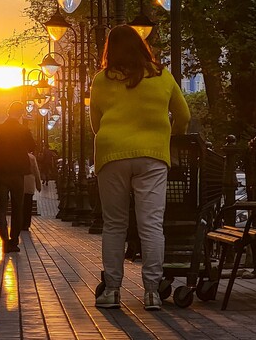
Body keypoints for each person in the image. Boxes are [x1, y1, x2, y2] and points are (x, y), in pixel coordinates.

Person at [89, 25, 190, 311]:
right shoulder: (162, 76)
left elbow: (96, 125)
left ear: (110, 49)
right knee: (151, 225)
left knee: (114, 225)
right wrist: (166, 140)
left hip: (111, 155)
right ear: (141, 46)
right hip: (153, 157)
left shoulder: (101, 80)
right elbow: (183, 115)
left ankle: (111, 290)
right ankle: (151, 292)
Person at [0, 101, 35, 253]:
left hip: (0, 173)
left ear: (8, 111)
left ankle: (4, 241)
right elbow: (33, 147)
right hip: (17, 174)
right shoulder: (24, 130)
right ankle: (14, 241)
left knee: (1, 208)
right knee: (17, 208)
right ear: (21, 113)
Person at [21, 151, 42, 230]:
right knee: (28, 205)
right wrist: (38, 184)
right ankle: (26, 224)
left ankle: (19, 222)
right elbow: (36, 171)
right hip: (29, 181)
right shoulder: (32, 157)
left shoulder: (15, 156)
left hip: (19, 182)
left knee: (19, 205)